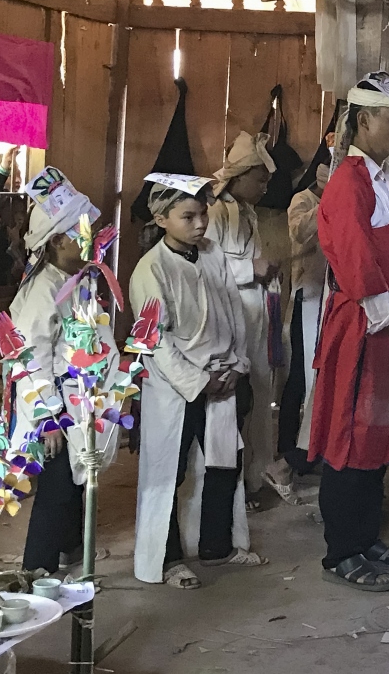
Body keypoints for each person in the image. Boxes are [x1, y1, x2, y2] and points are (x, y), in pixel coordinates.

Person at [308, 72, 389, 592]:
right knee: (351, 437)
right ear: (363, 120)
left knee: (377, 435)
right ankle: (341, 550)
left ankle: (365, 536)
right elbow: (356, 261)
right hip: (363, 327)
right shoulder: (348, 183)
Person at [131, 174, 266, 590]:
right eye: (188, 216)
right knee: (167, 472)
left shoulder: (211, 253)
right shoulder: (150, 269)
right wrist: (198, 381)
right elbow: (154, 342)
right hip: (175, 388)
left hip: (222, 375)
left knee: (224, 463)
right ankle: (167, 558)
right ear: (161, 219)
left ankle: (216, 546)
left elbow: (234, 313)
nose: (201, 224)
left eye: (202, 214)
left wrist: (238, 364)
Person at [11, 168, 112, 574]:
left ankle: (70, 549)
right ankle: (36, 568)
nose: (94, 239)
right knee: (56, 489)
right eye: (84, 232)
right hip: (54, 404)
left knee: (76, 481)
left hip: (79, 398)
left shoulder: (78, 279)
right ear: (57, 240)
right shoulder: (44, 290)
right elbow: (27, 358)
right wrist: (48, 417)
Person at [206, 132, 279, 509]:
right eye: (260, 179)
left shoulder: (247, 212)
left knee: (260, 394)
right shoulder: (215, 213)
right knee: (236, 401)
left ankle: (255, 476)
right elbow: (207, 268)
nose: (265, 187)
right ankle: (231, 486)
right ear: (240, 175)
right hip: (230, 321)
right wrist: (251, 268)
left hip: (256, 317)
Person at [265, 160, 329, 504]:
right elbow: (300, 233)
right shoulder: (303, 201)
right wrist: (330, 202)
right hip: (310, 296)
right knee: (302, 379)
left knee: (316, 379)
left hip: (330, 298)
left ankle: (305, 454)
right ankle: (288, 452)